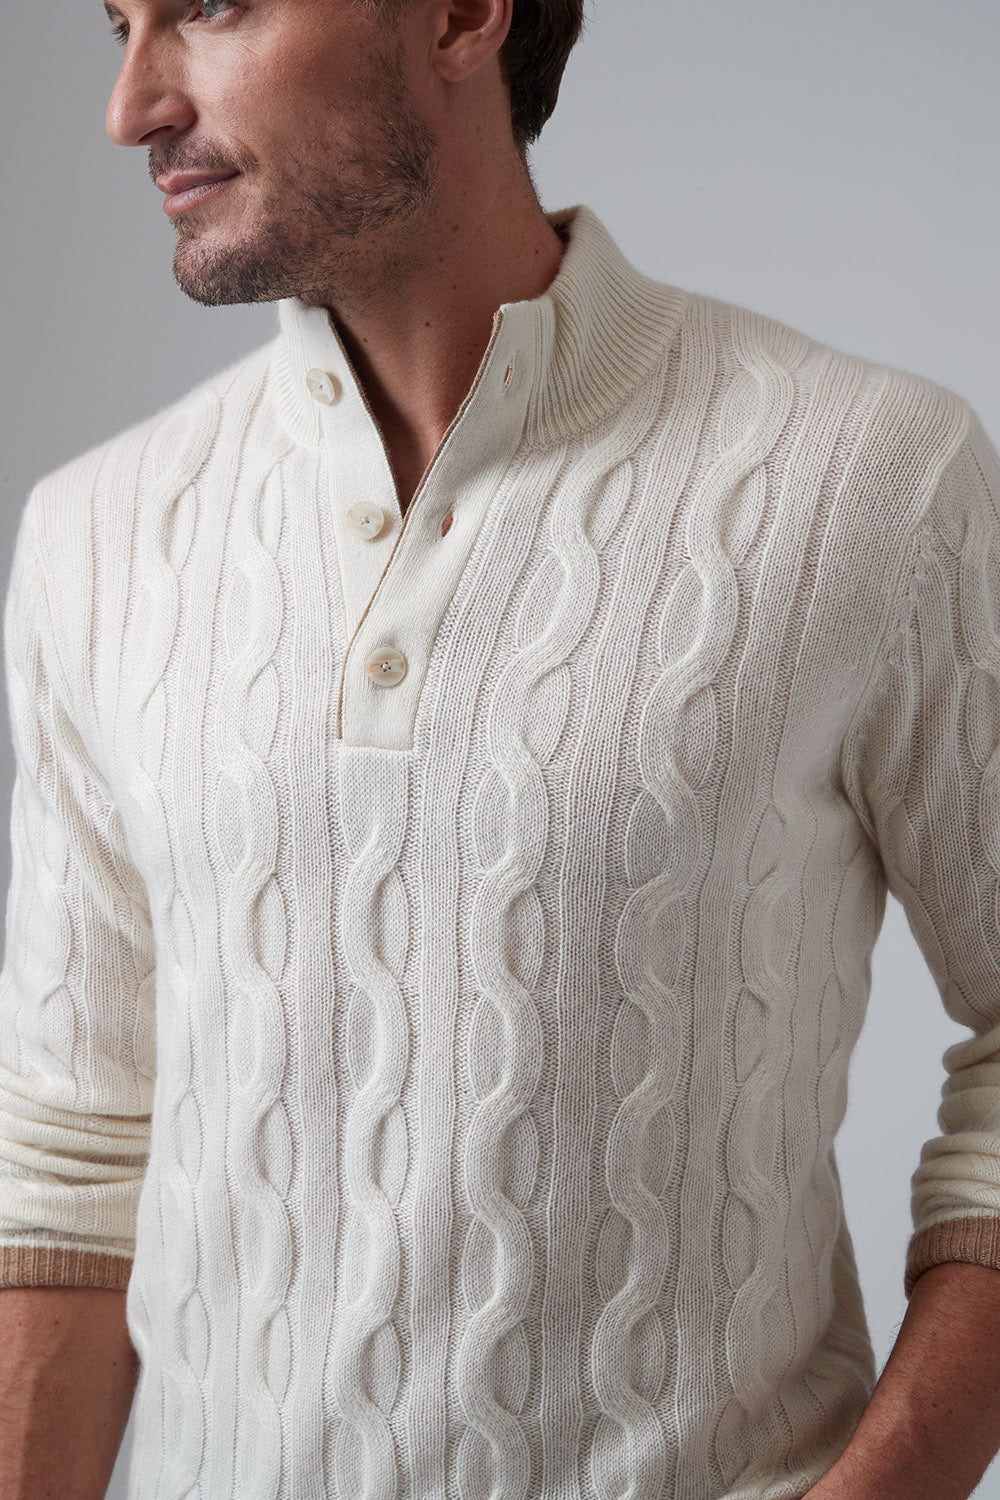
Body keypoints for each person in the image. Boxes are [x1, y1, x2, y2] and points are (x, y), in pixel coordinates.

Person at [2, 0, 1000, 1496]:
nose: (132, 105)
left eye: (206, 7)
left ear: (465, 14)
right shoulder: (95, 538)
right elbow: (68, 1154)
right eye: (118, 24)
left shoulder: (869, 478)